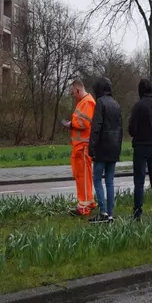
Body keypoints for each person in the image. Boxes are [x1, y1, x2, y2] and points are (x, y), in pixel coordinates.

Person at [128, 78, 152, 219]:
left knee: (139, 180)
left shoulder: (138, 107)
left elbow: (132, 129)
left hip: (141, 146)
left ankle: (138, 211)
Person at [88, 77, 123, 224]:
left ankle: (102, 211)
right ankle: (110, 214)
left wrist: (92, 147)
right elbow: (120, 129)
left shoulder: (100, 103)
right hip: (114, 148)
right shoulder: (116, 104)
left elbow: (96, 127)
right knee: (110, 181)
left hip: (102, 147)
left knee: (97, 179)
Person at [62, 79, 97, 216]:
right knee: (81, 176)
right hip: (79, 147)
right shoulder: (83, 102)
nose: (73, 96)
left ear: (77, 90)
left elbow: (84, 123)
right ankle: (87, 202)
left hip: (83, 147)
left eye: (72, 94)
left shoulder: (87, 102)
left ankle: (85, 205)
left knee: (83, 177)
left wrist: (71, 124)